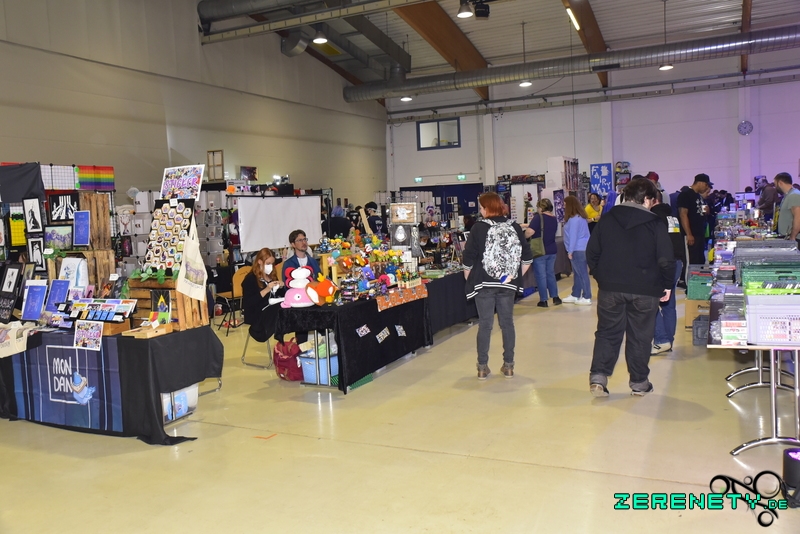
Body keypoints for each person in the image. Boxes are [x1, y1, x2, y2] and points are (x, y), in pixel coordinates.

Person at [587, 178, 675, 397]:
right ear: (646, 199)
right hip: (645, 289)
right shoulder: (655, 223)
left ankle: (598, 378)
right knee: (640, 336)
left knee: (607, 332)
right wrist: (667, 285)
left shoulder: (607, 219)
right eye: (652, 201)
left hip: (610, 288)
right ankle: (639, 383)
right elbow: (666, 259)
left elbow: (592, 253)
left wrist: (602, 277)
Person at [463, 192, 532, 380]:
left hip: (483, 283)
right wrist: (512, 276)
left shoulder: (478, 228)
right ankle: (509, 365)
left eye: (481, 207)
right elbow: (527, 258)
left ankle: (482, 367)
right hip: (507, 285)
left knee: (485, 325)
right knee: (507, 323)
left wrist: (470, 278)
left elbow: (468, 258)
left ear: (488, 208)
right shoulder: (514, 226)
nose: (480, 211)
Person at [650, 203, 684, 355]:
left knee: (651, 302)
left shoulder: (655, 218)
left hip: (662, 264)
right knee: (669, 304)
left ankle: (662, 340)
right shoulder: (673, 218)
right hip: (676, 263)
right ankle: (668, 340)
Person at [242, 248, 285, 342]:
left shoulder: (271, 276)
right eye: (268, 263)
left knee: (285, 305)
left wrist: (281, 286)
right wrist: (266, 290)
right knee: (278, 308)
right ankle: (280, 337)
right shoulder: (250, 279)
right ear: (260, 262)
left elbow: (280, 295)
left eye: (272, 264)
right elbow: (249, 303)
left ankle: (283, 336)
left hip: (270, 311)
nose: (271, 266)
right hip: (257, 314)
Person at [525, 198, 560, 308]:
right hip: (552, 250)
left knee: (541, 276)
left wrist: (524, 235)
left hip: (540, 250)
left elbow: (529, 232)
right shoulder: (554, 218)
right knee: (550, 274)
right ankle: (555, 297)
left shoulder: (538, 217)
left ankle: (543, 300)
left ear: (541, 207)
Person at [677, 173, 713, 267]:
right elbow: (683, 214)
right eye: (706, 185)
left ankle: (699, 275)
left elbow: (700, 211)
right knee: (692, 261)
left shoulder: (698, 196)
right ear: (700, 183)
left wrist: (706, 211)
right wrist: (689, 234)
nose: (707, 188)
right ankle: (690, 276)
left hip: (699, 234)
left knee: (700, 259)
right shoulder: (685, 195)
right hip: (691, 234)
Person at [561, 196, 592, 305]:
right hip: (582, 248)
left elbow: (573, 236)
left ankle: (587, 296)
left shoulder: (574, 220)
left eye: (565, 205)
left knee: (582, 273)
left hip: (577, 249)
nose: (564, 207)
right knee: (578, 274)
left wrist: (570, 251)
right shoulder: (581, 217)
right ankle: (576, 294)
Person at [774, 173, 800, 240]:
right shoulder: (788, 195)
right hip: (787, 237)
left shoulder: (794, 195)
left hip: (794, 239)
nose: (775, 187)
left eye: (775, 184)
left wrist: (793, 237)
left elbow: (798, 218)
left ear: (780, 183)